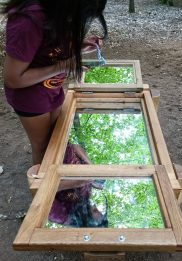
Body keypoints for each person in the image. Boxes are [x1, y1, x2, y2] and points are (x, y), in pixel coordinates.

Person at [3, 0, 108, 165]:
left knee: (55, 138)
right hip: (30, 97)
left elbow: (49, 46)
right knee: (43, 147)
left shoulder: (57, 13)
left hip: (52, 89)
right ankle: (42, 190)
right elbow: (13, 79)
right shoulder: (27, 22)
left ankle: (58, 186)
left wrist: (78, 46)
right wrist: (62, 67)